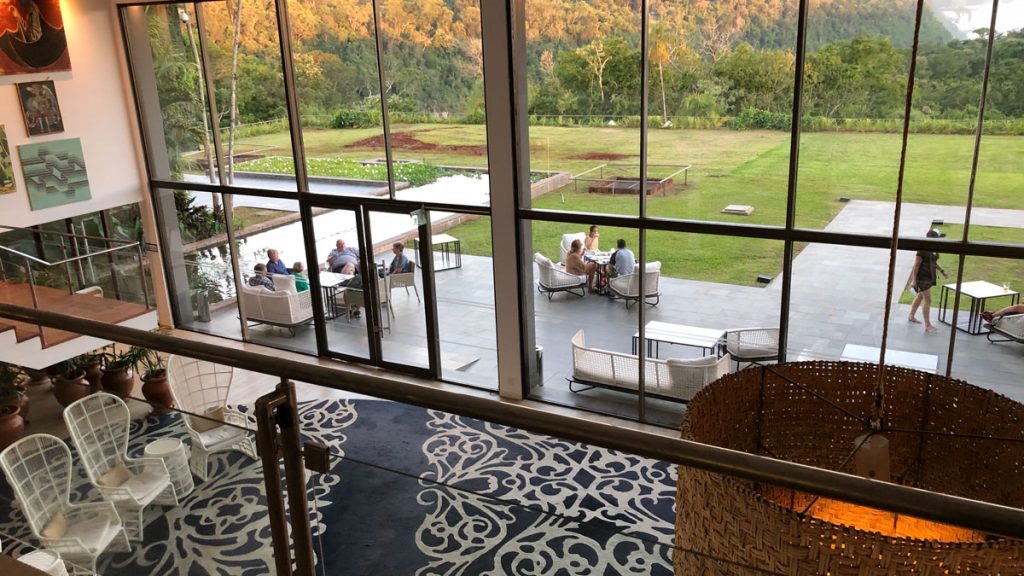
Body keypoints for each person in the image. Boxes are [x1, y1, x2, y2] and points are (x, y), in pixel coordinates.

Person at [905, 229, 948, 332]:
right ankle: (928, 325)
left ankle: (911, 315)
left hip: (929, 277)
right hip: (922, 278)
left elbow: (933, 262)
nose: (940, 239)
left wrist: (942, 271)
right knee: (928, 300)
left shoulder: (934, 248)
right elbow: (916, 265)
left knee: (920, 296)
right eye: (939, 237)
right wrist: (914, 280)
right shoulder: (922, 249)